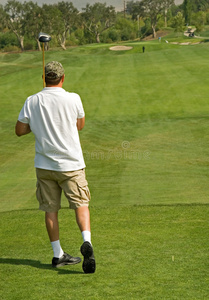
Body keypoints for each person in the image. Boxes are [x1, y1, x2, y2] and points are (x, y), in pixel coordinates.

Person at [15, 61, 95, 274]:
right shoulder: (73, 98)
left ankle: (58, 254)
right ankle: (87, 242)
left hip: (44, 166)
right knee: (81, 204)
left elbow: (20, 130)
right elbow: (80, 125)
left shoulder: (32, 101)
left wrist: (39, 125)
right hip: (71, 164)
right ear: (63, 77)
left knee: (50, 210)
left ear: (44, 78)